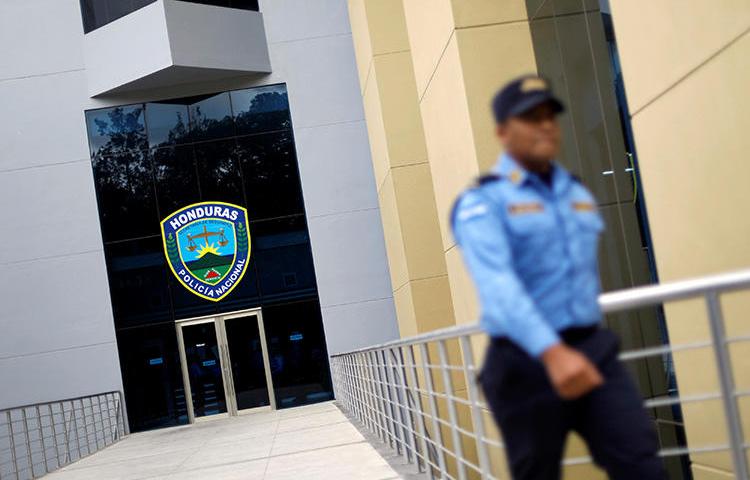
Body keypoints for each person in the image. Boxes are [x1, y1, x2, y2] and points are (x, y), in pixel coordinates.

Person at [451, 75, 666, 480]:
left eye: (550, 115)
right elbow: (499, 288)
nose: (546, 125)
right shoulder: (483, 202)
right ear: (502, 131)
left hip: (591, 349)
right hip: (524, 360)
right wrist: (552, 353)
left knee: (642, 464)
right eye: (530, 117)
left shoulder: (577, 193)